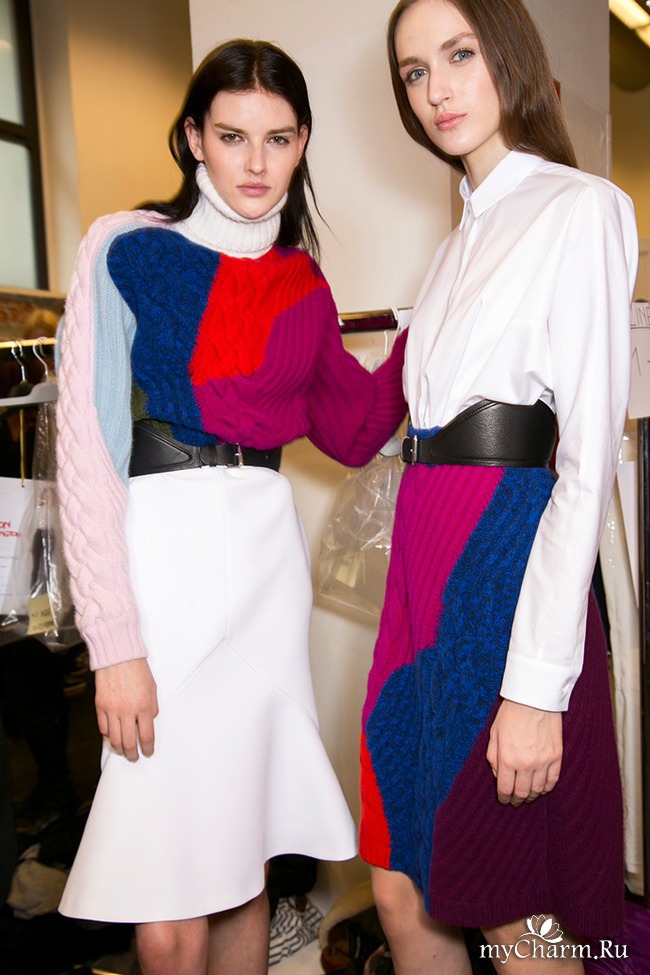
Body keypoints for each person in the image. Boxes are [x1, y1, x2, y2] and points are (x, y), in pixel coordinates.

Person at [55, 39, 407, 975]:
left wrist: (431, 329)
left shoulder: (302, 283)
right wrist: (114, 645)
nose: (256, 162)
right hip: (160, 566)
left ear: (302, 145)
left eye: (278, 138)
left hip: (264, 570)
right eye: (232, 135)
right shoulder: (128, 247)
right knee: (166, 908)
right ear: (193, 139)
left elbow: (354, 429)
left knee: (243, 865)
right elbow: (87, 450)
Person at [359, 1, 638, 973]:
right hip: (418, 580)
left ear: (506, 55)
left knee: (511, 909)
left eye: (458, 55)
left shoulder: (579, 208)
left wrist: (535, 688)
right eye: (413, 72)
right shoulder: (449, 250)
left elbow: (584, 465)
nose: (435, 89)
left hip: (503, 576)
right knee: (400, 889)